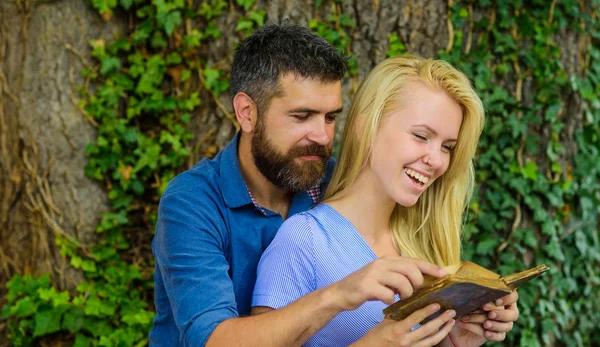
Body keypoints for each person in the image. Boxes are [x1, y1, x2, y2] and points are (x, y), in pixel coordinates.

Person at [150, 23, 455, 347]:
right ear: (247, 113)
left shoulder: (334, 181)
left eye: (330, 117)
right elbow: (213, 340)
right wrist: (341, 293)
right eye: (302, 116)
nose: (322, 137)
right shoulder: (193, 203)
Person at [252, 55, 520, 346]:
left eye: (447, 147)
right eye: (421, 136)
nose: (436, 160)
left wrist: (454, 339)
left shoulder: (422, 244)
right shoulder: (303, 241)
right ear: (366, 128)